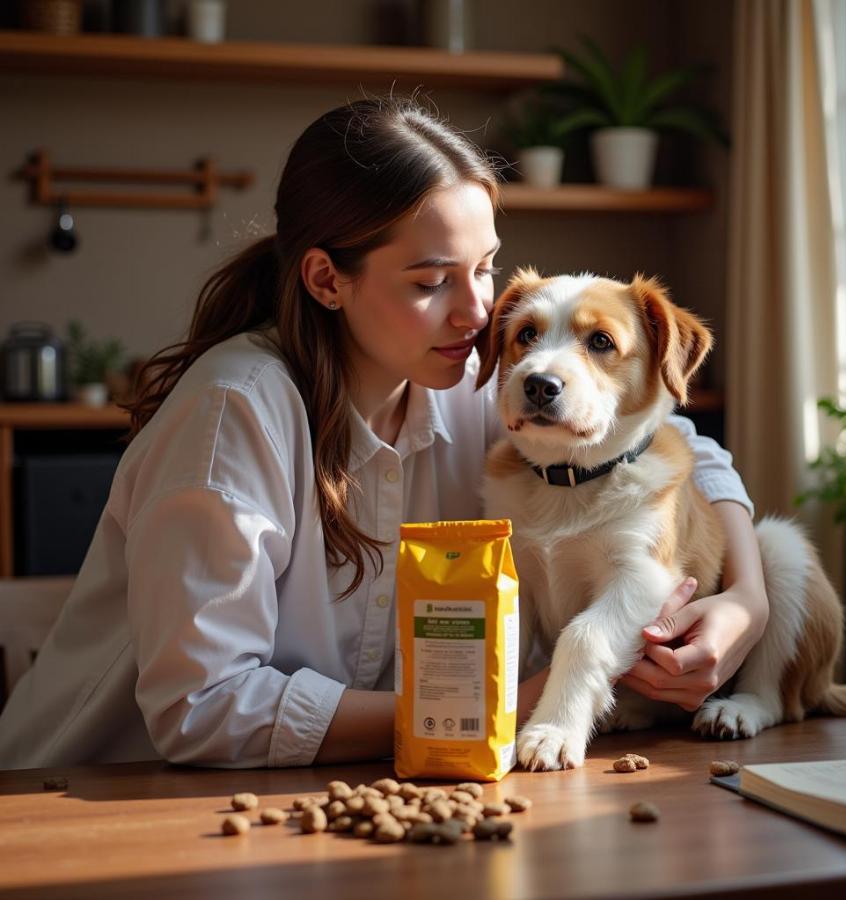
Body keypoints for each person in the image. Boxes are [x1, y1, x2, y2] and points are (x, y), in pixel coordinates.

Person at [0, 97, 768, 770]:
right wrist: (511, 704)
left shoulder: (460, 379)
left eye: (486, 269)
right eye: (432, 282)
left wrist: (748, 605)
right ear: (327, 280)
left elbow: (674, 446)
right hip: (89, 795)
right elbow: (204, 707)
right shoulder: (237, 411)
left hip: (324, 785)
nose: (476, 314)